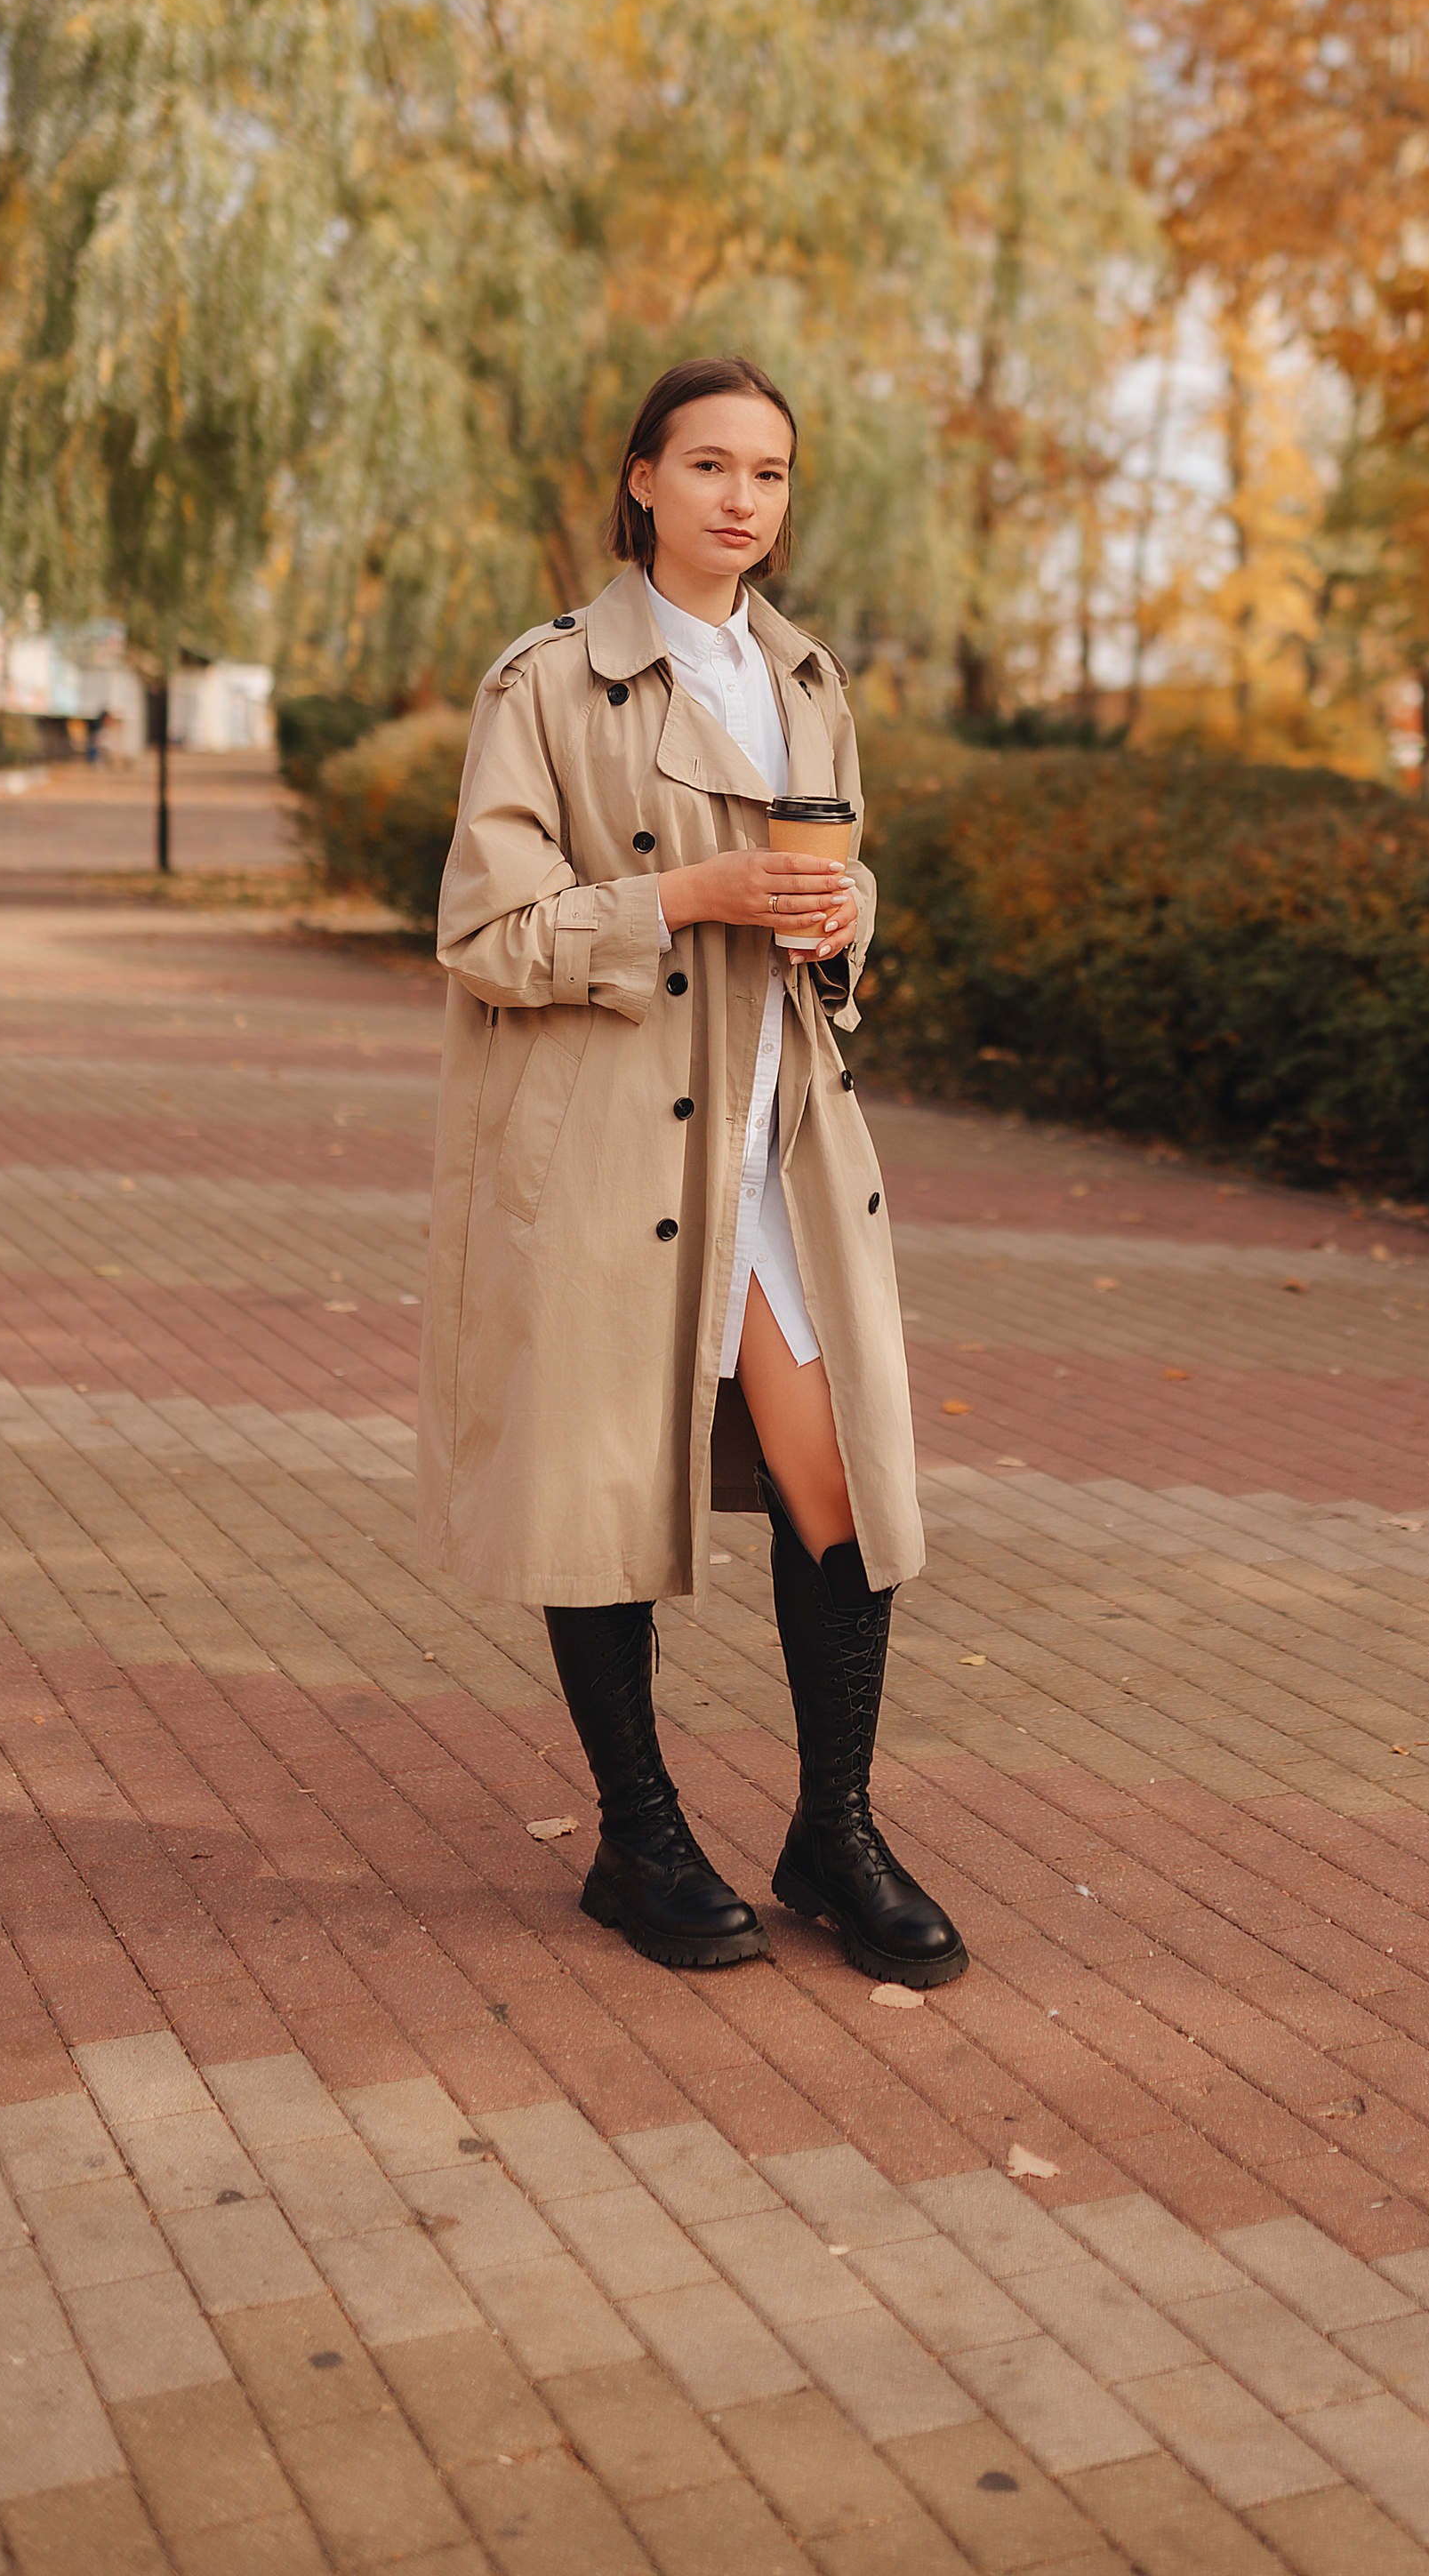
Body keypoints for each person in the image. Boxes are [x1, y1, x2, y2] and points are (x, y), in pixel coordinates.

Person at [416, 356, 967, 1989]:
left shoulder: (807, 679)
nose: (744, 497)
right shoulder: (548, 683)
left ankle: (833, 1831)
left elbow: (830, 921)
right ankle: (637, 1833)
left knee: (843, 1491)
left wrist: (846, 922)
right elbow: (485, 933)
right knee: (599, 1490)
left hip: (775, 1152)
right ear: (641, 479)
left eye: (773, 473)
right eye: (711, 464)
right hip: (604, 1146)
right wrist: (686, 897)